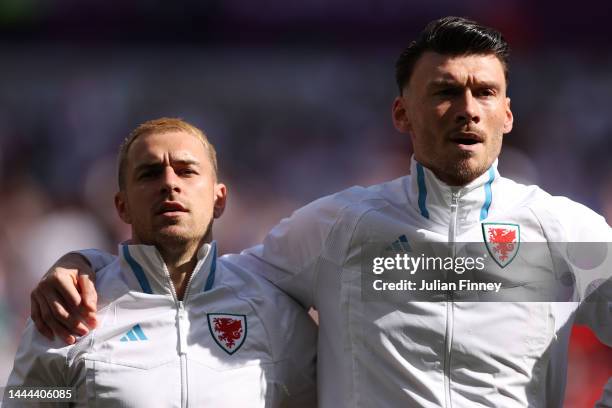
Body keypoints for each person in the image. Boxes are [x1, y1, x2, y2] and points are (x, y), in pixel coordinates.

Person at [29, 17, 611, 407]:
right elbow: (198, 275)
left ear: (507, 114)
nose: (466, 109)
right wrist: (85, 264)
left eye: (484, 92)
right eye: (443, 91)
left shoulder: (561, 231)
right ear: (402, 114)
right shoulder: (339, 229)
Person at [5, 118, 317, 407]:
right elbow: (27, 396)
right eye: (150, 173)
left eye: (186, 170)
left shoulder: (274, 314)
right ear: (122, 206)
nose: (169, 183)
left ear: (219, 199)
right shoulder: (69, 310)